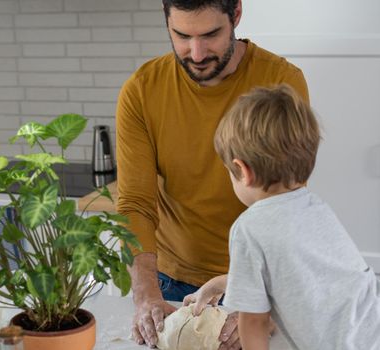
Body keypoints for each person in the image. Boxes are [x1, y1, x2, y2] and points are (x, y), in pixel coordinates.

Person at [116, 0, 309, 348]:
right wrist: (146, 294)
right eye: (182, 35)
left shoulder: (280, 81)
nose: (197, 52)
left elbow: (287, 206)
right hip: (169, 282)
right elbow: (135, 203)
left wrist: (260, 294)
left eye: (211, 34)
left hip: (255, 283)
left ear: (235, 14)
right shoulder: (142, 90)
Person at [185, 84, 380, 349]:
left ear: (243, 171)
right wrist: (220, 283)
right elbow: (294, 282)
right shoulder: (316, 208)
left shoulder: (249, 227)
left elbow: (254, 322)